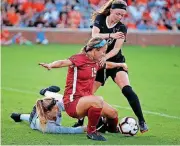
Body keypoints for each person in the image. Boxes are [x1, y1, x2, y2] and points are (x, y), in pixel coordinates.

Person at [74, 0, 148, 133]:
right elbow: (94, 36)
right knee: (87, 94)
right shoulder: (100, 18)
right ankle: (79, 121)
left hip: (115, 62)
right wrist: (111, 35)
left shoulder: (122, 28)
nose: (119, 17)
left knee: (127, 89)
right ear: (111, 10)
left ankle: (142, 121)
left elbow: (116, 49)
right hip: (99, 64)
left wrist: (104, 57)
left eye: (122, 15)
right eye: (118, 14)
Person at [39, 37, 128, 141]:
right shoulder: (79, 59)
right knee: (98, 100)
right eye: (103, 52)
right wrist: (50, 65)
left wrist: (120, 64)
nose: (104, 55)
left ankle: (111, 129)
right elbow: (63, 62)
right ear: (95, 50)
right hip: (72, 103)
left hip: (87, 100)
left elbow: (106, 65)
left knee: (113, 113)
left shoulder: (96, 61)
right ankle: (91, 132)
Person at [10, 86, 86, 134]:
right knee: (31, 120)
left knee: (65, 101)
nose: (58, 109)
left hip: (43, 106)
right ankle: (19, 116)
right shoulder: (47, 127)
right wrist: (83, 128)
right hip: (34, 119)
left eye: (57, 106)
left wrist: (80, 120)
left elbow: (76, 106)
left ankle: (45, 91)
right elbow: (69, 130)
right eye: (55, 109)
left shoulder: (55, 105)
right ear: (48, 112)